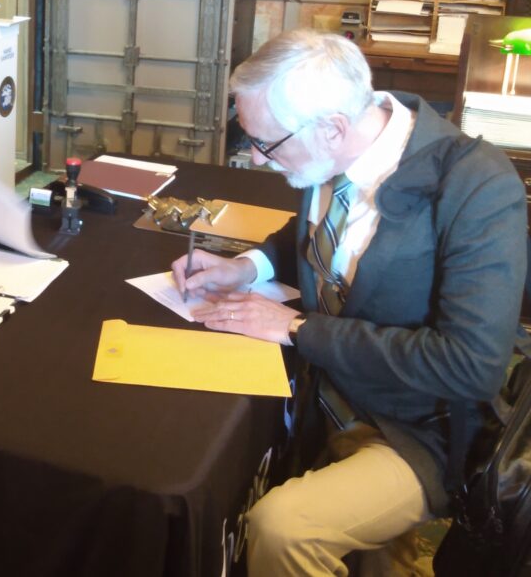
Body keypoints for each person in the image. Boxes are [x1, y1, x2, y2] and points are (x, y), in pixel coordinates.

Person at [171, 29, 528, 576]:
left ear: (333, 127)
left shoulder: (476, 186)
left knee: (283, 527)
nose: (260, 160)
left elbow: (470, 366)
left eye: (266, 144)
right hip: (330, 391)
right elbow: (323, 240)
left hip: (416, 425)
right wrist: (246, 266)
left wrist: (297, 328)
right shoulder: (337, 149)